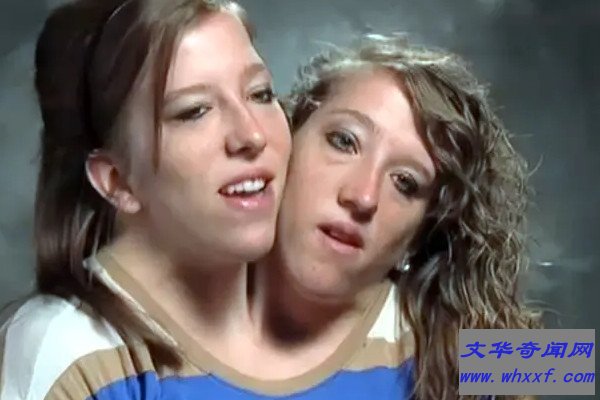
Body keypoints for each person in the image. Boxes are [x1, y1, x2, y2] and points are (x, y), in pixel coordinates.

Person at [0, 0, 291, 398]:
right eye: (194, 111)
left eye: (261, 93)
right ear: (117, 180)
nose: (252, 135)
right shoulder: (70, 350)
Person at [236, 33, 538, 399]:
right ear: (288, 136)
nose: (363, 196)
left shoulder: (446, 345)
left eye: (405, 183)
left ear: (419, 236)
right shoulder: (174, 316)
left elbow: (570, 364)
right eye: (344, 141)